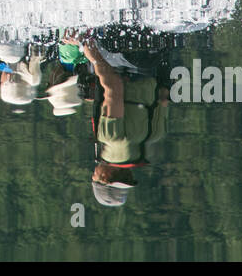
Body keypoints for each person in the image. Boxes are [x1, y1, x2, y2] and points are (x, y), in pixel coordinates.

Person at [67, 32, 170, 207]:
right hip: (124, 58)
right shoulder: (111, 139)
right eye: (94, 178)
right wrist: (88, 50)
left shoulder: (154, 136)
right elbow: (114, 87)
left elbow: (164, 95)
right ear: (104, 178)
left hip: (152, 57)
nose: (92, 173)